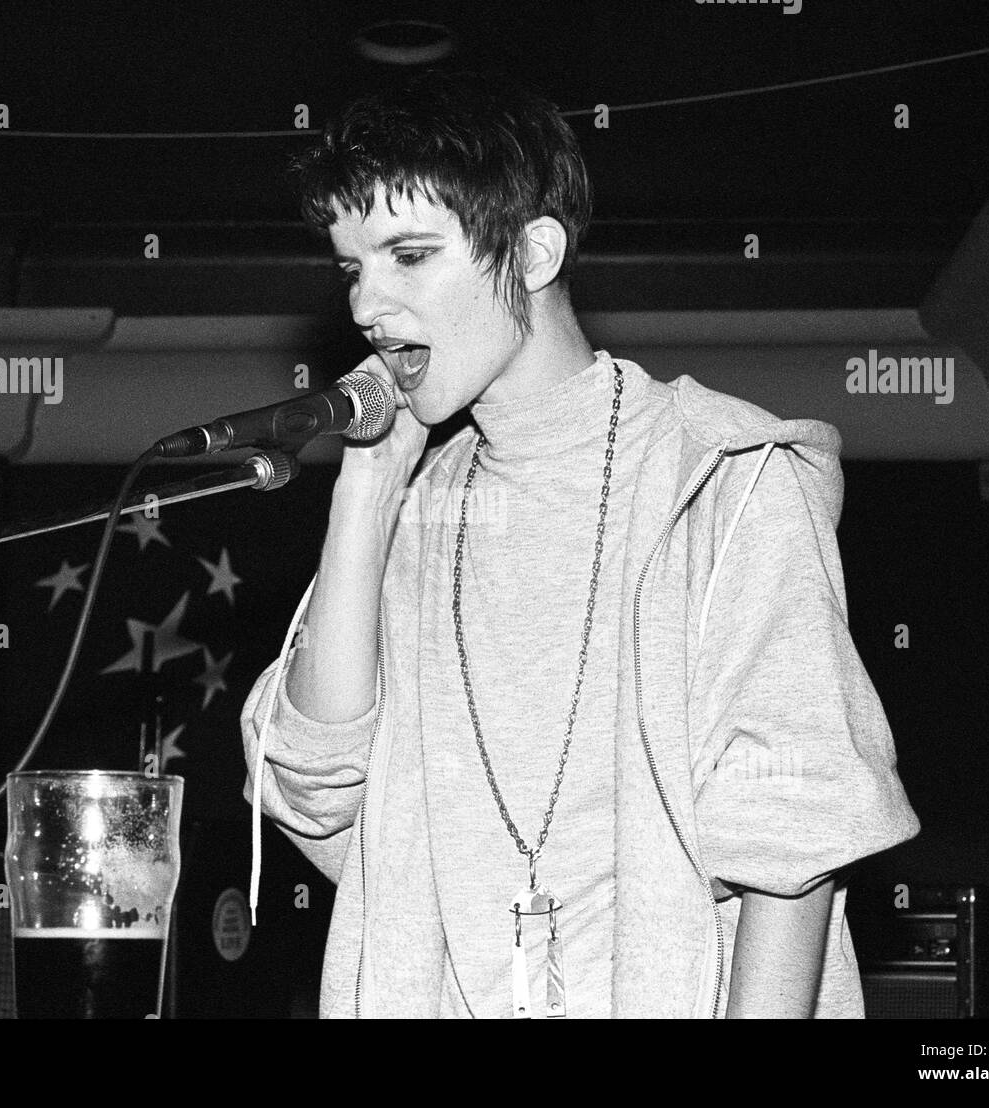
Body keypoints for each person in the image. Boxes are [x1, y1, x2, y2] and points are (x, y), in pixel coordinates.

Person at [240, 68, 919, 1018]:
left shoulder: (723, 474)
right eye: (354, 267)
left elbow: (792, 845)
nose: (364, 306)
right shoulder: (413, 510)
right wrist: (364, 494)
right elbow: (311, 784)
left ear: (533, 253)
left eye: (409, 254)